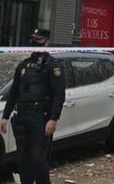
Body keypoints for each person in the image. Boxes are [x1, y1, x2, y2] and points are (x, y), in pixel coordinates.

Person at [0, 28, 66, 184]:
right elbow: (14, 93)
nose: (34, 42)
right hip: (22, 115)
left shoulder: (53, 65)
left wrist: (53, 118)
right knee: (23, 159)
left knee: (38, 157)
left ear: (47, 42)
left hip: (40, 116)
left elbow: (59, 94)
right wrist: (5, 116)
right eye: (33, 39)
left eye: (39, 39)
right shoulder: (24, 65)